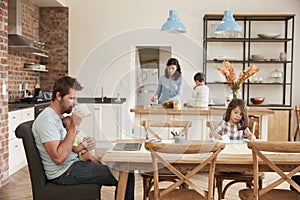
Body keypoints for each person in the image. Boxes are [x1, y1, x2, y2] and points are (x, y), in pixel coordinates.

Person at [32, 76, 134, 199]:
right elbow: (58, 158)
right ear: (59, 96)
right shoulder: (47, 120)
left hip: (73, 164)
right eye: (71, 98)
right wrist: (74, 127)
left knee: (124, 168)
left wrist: (85, 144)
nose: (75, 103)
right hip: (64, 172)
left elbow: (67, 145)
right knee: (126, 173)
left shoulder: (58, 117)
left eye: (76, 98)